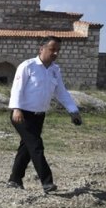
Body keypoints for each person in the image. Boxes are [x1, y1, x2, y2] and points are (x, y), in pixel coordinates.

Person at [7, 36, 82, 193]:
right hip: (21, 114)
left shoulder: (55, 70)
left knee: (27, 148)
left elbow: (61, 92)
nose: (55, 53)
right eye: (52, 49)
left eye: (57, 50)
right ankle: (47, 182)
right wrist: (16, 108)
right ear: (41, 49)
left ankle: (14, 179)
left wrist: (73, 110)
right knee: (36, 146)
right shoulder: (28, 66)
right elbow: (17, 88)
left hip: (39, 116)